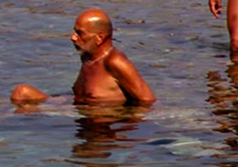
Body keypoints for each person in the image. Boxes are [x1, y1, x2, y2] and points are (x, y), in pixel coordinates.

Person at [10, 9, 154, 107]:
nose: (73, 37)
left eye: (80, 33)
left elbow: (148, 101)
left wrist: (121, 125)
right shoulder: (87, 58)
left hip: (103, 127)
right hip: (78, 112)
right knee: (22, 92)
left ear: (99, 37)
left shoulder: (115, 62)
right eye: (74, 32)